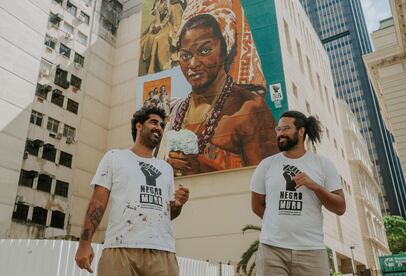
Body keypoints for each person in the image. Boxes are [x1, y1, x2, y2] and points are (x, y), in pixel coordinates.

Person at [75, 106, 189, 276]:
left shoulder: (166, 169)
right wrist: (84, 243)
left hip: (161, 251)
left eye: (162, 125)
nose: (159, 127)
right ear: (139, 126)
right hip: (120, 249)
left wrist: (179, 204)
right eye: (154, 122)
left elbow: (167, 214)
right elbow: (98, 202)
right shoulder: (115, 157)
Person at [165, 6, 277, 176]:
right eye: (186, 56)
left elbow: (269, 181)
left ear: (225, 50)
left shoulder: (251, 109)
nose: (193, 64)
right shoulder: (175, 111)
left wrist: (203, 167)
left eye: (204, 50)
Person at [250, 110, 346, 276]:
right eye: (278, 129)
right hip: (272, 250)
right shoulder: (266, 165)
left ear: (301, 131)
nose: (281, 134)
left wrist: (316, 187)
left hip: (311, 250)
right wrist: (277, 224)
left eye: (286, 129)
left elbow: (340, 207)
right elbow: (257, 205)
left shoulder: (323, 164)